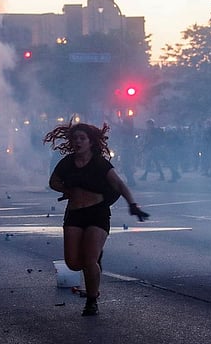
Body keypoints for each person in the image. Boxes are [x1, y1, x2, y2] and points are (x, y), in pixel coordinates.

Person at [43, 119, 149, 316]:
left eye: (82, 138)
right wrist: (66, 189)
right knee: (73, 263)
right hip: (74, 213)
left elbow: (119, 184)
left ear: (91, 141)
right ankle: (94, 264)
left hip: (97, 214)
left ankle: (92, 301)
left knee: (90, 260)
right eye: (75, 138)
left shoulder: (100, 163)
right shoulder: (67, 163)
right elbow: (53, 181)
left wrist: (132, 204)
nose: (78, 141)